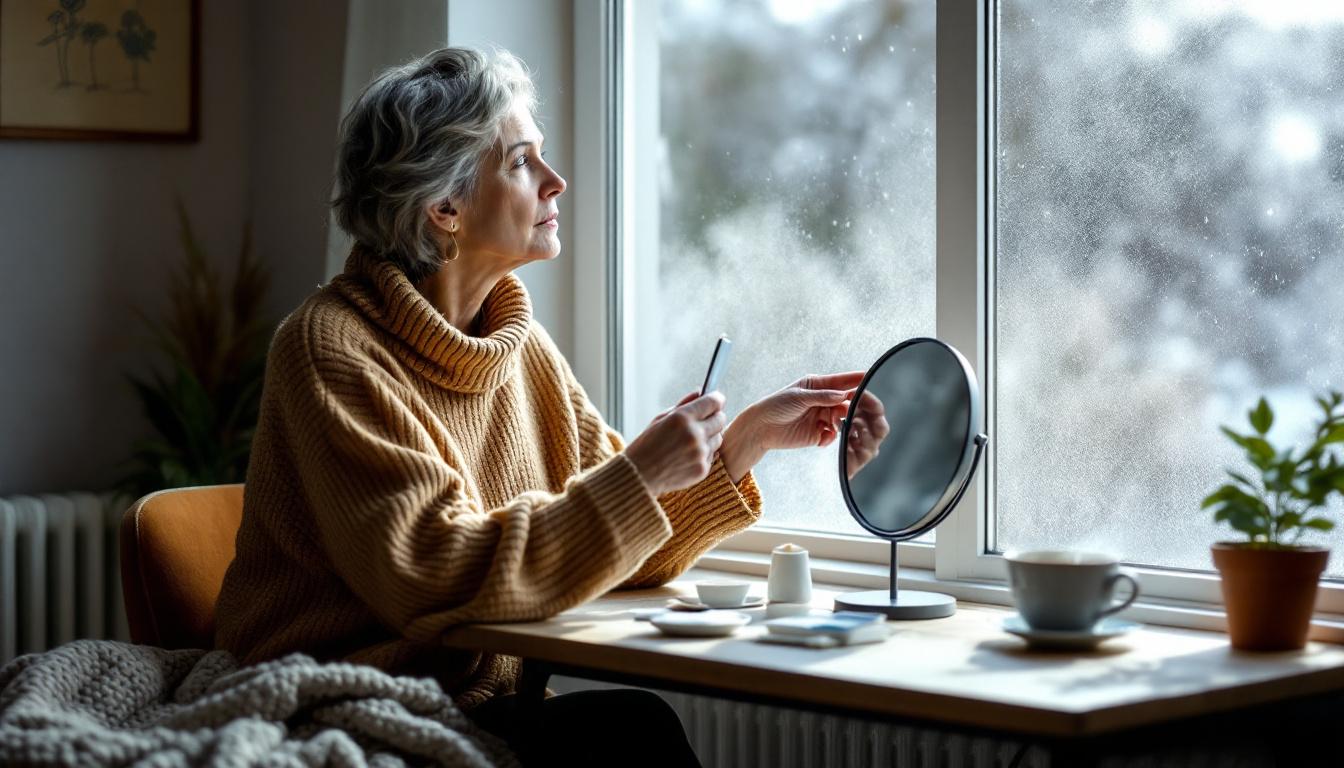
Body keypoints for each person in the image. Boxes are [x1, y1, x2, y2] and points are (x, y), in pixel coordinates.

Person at [214, 46, 873, 766]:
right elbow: (433, 575)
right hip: (344, 702)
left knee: (633, 727)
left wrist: (742, 444)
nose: (557, 181)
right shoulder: (330, 349)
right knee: (633, 735)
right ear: (444, 207)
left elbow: (616, 549)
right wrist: (639, 475)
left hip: (477, 702)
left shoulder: (513, 342)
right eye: (523, 162)